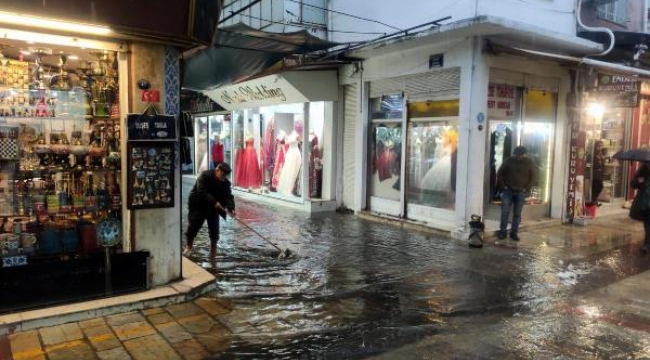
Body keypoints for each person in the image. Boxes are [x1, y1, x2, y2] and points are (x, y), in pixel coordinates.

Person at [184, 162, 236, 257]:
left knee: (214, 231)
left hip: (214, 209)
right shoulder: (205, 176)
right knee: (193, 227)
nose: (224, 177)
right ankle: (188, 247)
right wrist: (213, 201)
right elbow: (201, 191)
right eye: (222, 175)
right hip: (199, 205)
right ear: (217, 170)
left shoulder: (226, 183)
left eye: (226, 176)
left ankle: (213, 251)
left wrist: (231, 208)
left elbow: (228, 196)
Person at [496, 145, 538, 241]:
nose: (518, 157)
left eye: (520, 155)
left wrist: (526, 188)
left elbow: (533, 177)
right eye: (516, 155)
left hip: (520, 192)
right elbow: (499, 174)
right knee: (505, 213)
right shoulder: (508, 160)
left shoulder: (528, 162)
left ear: (524, 154)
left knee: (517, 214)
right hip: (508, 191)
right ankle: (502, 232)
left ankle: (514, 233)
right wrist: (504, 187)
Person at [630, 162, 650, 254]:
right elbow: (633, 184)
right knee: (647, 224)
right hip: (644, 203)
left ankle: (646, 244)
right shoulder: (642, 171)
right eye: (647, 164)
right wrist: (639, 181)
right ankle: (647, 242)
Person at [588, 140, 605, 206]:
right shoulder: (592, 153)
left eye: (601, 145)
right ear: (595, 146)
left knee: (600, 186)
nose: (600, 147)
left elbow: (602, 164)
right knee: (595, 187)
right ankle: (592, 200)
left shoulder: (600, 154)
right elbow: (589, 162)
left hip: (600, 174)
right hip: (594, 174)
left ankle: (594, 200)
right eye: (599, 145)